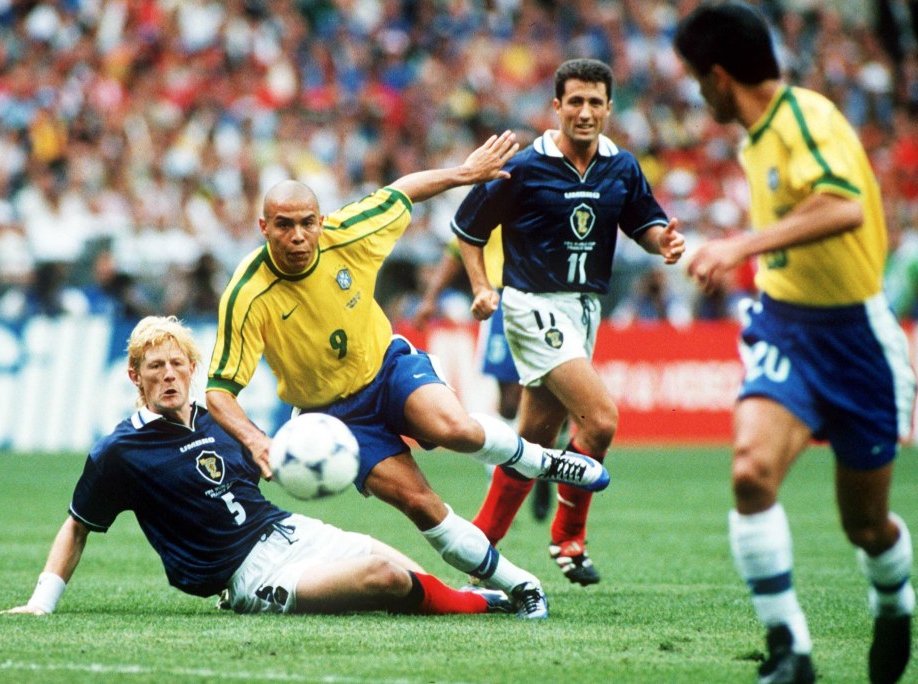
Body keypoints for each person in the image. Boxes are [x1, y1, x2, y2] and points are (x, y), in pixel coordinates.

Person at [205, 131, 610, 620]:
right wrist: (255, 440)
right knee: (422, 505)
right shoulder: (246, 294)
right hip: (333, 419)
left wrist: (464, 174)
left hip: (389, 367)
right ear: (263, 226)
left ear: (321, 221)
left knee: (453, 429)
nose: (297, 236)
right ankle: (519, 585)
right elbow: (218, 392)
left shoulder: (349, 232)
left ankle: (544, 460)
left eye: (307, 224)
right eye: (284, 226)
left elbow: (403, 189)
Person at [674, 4, 917, 683]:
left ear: (720, 78)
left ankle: (895, 599)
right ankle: (791, 651)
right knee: (751, 472)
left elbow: (844, 206)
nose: (698, 93)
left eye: (698, 80)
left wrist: (740, 246)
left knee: (866, 528)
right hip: (785, 324)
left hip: (857, 341)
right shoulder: (756, 136)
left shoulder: (805, 119)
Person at [2, 316, 514, 618]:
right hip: (252, 574)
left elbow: (275, 464)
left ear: (192, 369)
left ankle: (473, 597)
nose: (168, 375)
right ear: (135, 376)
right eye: (154, 367)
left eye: (177, 364)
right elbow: (78, 525)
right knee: (386, 577)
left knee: (413, 573)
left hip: (292, 532)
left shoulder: (220, 421)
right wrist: (41, 603)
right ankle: (489, 604)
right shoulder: (120, 451)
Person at [451, 59, 685, 587]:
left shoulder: (621, 166)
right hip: (532, 305)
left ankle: (479, 547)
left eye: (594, 102)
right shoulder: (525, 167)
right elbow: (467, 227)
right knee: (600, 420)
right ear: (556, 107)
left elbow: (643, 221)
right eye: (574, 102)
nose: (584, 112)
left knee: (532, 440)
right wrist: (482, 287)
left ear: (608, 108)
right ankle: (568, 538)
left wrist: (662, 242)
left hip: (583, 310)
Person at [413, 231, 554, 522]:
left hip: (547, 298)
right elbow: (458, 249)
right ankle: (516, 475)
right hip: (502, 299)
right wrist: (430, 298)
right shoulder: (491, 196)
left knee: (546, 393)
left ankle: (538, 463)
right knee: (509, 403)